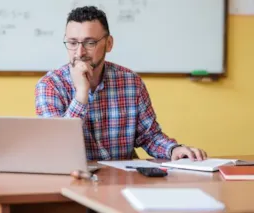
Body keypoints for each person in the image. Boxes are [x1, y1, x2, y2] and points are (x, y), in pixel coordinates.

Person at [34, 6, 207, 161]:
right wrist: (81, 95)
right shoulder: (49, 86)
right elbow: (56, 148)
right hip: (74, 181)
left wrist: (174, 150)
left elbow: (149, 136)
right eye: (72, 43)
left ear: (108, 44)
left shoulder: (131, 82)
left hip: (121, 182)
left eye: (90, 43)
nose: (79, 52)